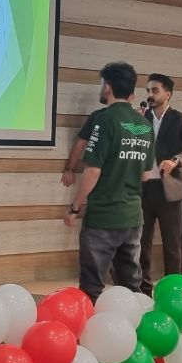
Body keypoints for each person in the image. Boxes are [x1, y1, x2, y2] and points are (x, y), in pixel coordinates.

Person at [65, 61, 154, 302]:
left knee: (92, 288)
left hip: (103, 217)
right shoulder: (145, 125)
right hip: (133, 217)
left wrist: (75, 207)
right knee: (131, 286)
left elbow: (93, 170)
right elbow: (146, 174)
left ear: (108, 87)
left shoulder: (104, 120)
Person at [137, 74, 182, 294]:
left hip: (170, 187)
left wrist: (176, 160)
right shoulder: (141, 117)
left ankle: (173, 289)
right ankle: (143, 288)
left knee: (172, 243)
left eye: (155, 90)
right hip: (144, 186)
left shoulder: (180, 119)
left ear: (168, 94)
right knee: (141, 241)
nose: (150, 95)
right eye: (148, 90)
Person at [61, 105, 105, 189]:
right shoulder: (98, 115)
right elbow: (81, 142)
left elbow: (81, 142)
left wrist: (70, 170)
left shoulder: (99, 115)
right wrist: (70, 170)